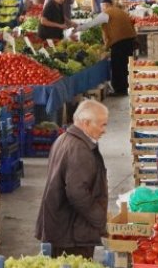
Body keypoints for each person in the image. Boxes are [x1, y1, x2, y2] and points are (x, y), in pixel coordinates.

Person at [36, 100, 109, 259]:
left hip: (60, 226)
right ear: (86, 123)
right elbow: (77, 193)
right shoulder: (80, 149)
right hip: (72, 234)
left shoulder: (64, 139)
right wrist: (100, 219)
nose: (104, 130)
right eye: (102, 125)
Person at [76, 0, 137, 95]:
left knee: (117, 66)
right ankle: (126, 87)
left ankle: (119, 90)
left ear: (105, 5)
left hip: (119, 42)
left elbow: (91, 24)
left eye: (102, 6)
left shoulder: (106, 13)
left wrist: (77, 29)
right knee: (125, 65)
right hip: (130, 39)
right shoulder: (119, 11)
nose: (102, 8)